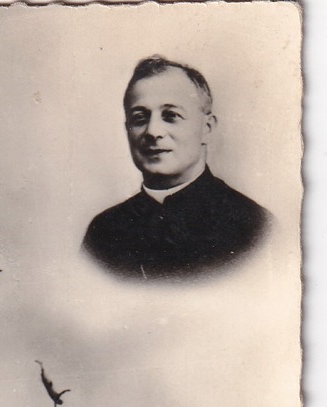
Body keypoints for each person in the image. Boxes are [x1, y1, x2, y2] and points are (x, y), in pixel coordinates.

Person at [82, 56, 271, 280]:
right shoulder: (103, 232)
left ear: (206, 128)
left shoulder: (254, 227)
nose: (153, 131)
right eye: (140, 118)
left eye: (171, 116)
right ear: (128, 130)